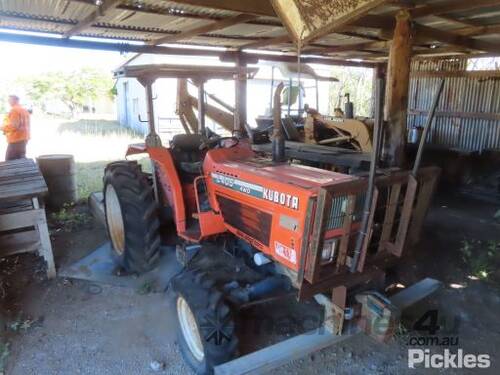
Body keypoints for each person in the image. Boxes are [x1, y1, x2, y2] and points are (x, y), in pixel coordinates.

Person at [1, 95, 30, 160]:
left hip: (16, 140)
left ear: (15, 100)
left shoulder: (14, 110)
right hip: (24, 138)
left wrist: (2, 128)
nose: (8, 102)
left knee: (9, 162)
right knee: (21, 159)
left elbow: (14, 126)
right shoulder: (24, 110)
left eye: (9, 100)